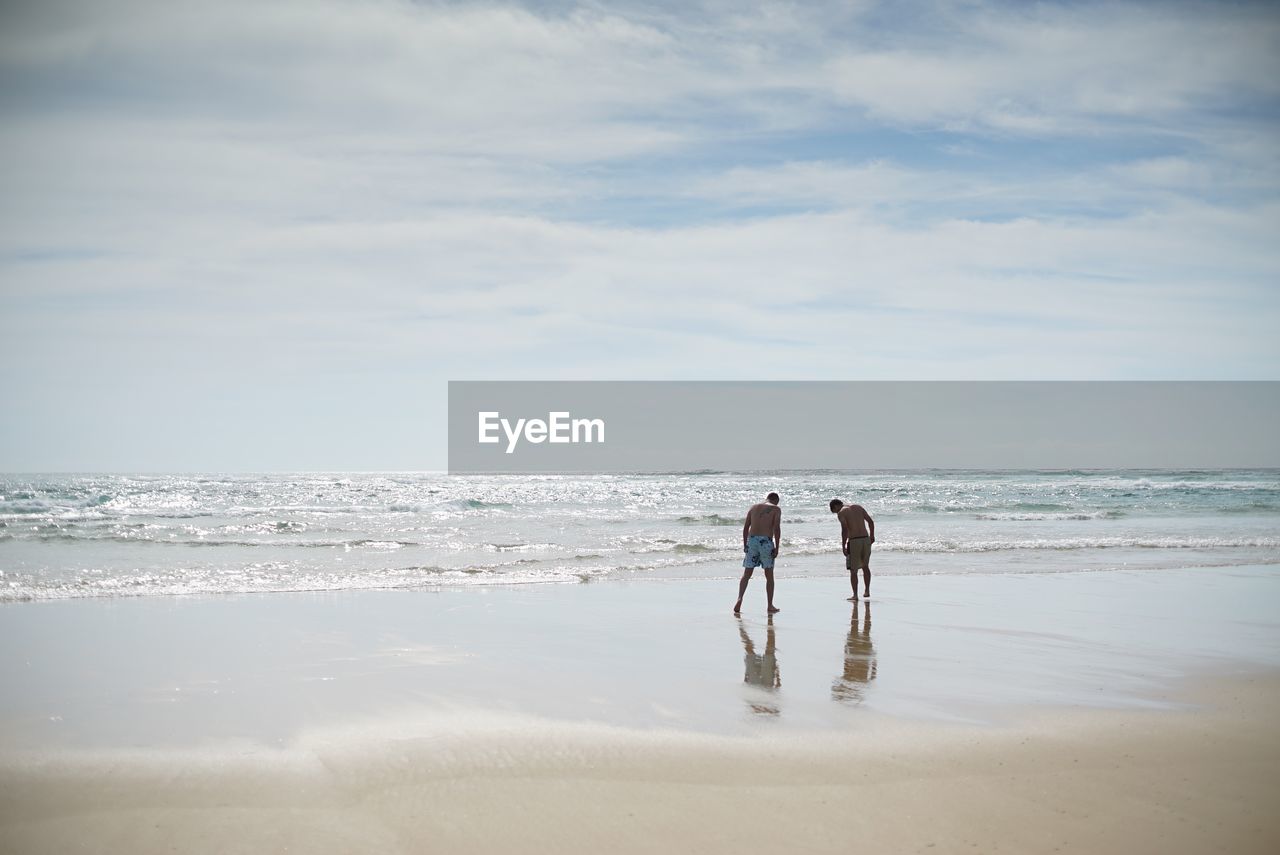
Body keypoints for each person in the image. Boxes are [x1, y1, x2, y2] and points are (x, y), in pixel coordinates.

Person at [734, 492, 781, 615]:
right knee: (769, 575)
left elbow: (745, 528)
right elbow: (776, 528)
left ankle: (739, 598)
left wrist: (745, 544)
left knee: (747, 574)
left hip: (752, 541)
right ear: (775, 500)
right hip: (765, 542)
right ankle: (770, 605)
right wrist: (777, 547)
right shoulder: (775, 509)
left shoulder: (753, 507)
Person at [830, 498, 874, 600]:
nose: (836, 513)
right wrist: (872, 536)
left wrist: (843, 545)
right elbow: (870, 522)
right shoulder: (858, 507)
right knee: (865, 566)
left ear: (836, 506)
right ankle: (867, 590)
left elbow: (844, 529)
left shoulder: (841, 512)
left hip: (854, 541)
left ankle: (855, 595)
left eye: (834, 511)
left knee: (853, 570)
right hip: (865, 539)